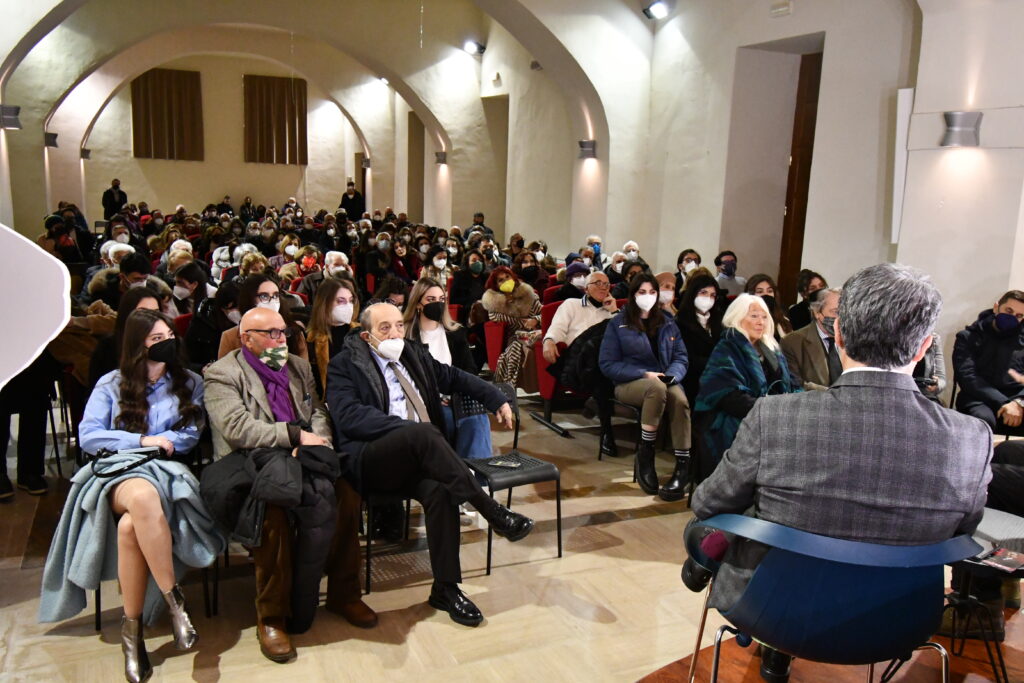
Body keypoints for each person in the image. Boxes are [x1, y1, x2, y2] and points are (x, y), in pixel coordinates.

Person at [684, 263, 993, 681]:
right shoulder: (972, 438)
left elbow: (708, 502)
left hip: (772, 611)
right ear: (923, 347)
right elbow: (963, 530)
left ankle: (774, 650)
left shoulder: (774, 416)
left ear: (840, 336)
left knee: (718, 523)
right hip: (899, 622)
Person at [42, 309, 222, 683]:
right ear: (139, 345)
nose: (168, 342)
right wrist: (143, 441)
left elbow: (188, 436)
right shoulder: (112, 383)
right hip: (119, 473)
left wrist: (160, 443)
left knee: (129, 530)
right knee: (140, 497)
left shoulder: (189, 381)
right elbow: (90, 436)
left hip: (167, 473)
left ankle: (132, 635)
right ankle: (175, 603)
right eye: (157, 339)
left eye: (169, 335)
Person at [326, 302, 533, 626]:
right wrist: (407, 432)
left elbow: (455, 377)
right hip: (372, 459)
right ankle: (491, 510)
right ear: (366, 336)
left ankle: (445, 589)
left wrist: (497, 399)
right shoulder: (345, 364)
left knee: (442, 489)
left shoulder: (412, 354)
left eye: (398, 325)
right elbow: (349, 416)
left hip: (420, 458)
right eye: (384, 328)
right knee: (423, 433)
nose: (395, 333)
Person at [204, 307, 375, 663]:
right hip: (250, 462)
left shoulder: (297, 366)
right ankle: (272, 617)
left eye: (283, 332)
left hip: (303, 454)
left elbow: (318, 412)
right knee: (273, 511)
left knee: (347, 494)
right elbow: (237, 429)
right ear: (246, 338)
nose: (280, 339)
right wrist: (293, 437)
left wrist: (318, 441)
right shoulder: (222, 374)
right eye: (271, 333)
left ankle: (344, 594)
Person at [599, 273, 692, 501]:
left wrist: (672, 375)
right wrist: (644, 374)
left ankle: (683, 464)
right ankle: (645, 453)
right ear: (633, 294)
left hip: (663, 379)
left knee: (680, 400)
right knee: (655, 389)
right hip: (629, 382)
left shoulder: (667, 322)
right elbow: (608, 364)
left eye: (652, 292)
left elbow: (681, 357)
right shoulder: (618, 323)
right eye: (642, 292)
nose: (648, 296)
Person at [694, 294, 800, 480]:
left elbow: (792, 384)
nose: (761, 322)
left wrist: (795, 405)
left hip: (769, 414)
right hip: (733, 417)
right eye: (754, 316)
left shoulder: (771, 348)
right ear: (738, 317)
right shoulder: (727, 348)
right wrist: (770, 410)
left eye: (764, 317)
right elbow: (730, 398)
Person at [405, 278, 493, 464]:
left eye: (441, 299)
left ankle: (474, 472)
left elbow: (469, 371)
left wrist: (454, 395)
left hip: (455, 397)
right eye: (430, 299)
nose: (437, 304)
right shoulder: (405, 336)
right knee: (449, 418)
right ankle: (462, 471)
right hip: (422, 400)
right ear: (418, 303)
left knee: (476, 416)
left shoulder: (455, 333)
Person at [542, 271, 619, 454]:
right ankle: (606, 429)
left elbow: (625, 337)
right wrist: (549, 341)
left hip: (600, 365)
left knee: (611, 339)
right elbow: (557, 328)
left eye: (606, 284)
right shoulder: (572, 304)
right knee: (606, 332)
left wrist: (615, 311)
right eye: (597, 283)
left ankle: (606, 427)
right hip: (575, 363)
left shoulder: (611, 311)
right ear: (586, 288)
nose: (603, 287)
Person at [952, 290, 1024, 432]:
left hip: (1016, 401)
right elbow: (967, 377)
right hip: (978, 399)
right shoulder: (968, 337)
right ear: (996, 307)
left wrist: (1019, 403)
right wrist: (1003, 402)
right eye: (1009, 311)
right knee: (983, 421)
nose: (1012, 317)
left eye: (1019, 316)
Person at [218, 274, 309, 361]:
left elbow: (302, 369)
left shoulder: (294, 332)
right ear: (249, 299)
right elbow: (223, 370)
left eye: (276, 295)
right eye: (264, 296)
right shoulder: (230, 337)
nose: (272, 301)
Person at [88, 286, 162, 391]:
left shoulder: (168, 344)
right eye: (143, 313)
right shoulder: (108, 348)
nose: (151, 318)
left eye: (156, 312)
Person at [481, 266, 542, 389]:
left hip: (535, 333)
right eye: (501, 280)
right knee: (515, 348)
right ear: (496, 285)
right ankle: (509, 387)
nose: (506, 281)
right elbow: (494, 317)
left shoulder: (528, 295)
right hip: (514, 336)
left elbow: (543, 313)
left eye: (507, 277)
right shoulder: (494, 302)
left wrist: (535, 319)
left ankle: (507, 386)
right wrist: (522, 321)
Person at [306, 277, 361, 400]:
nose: (348, 306)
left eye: (351, 301)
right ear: (325, 303)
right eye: (341, 301)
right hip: (330, 400)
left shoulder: (361, 332)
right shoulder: (311, 338)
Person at [675, 272, 724, 407]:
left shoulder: (719, 320)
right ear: (693, 294)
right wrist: (717, 363)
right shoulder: (680, 322)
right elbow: (688, 359)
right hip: (694, 378)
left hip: (720, 374)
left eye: (712, 295)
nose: (708, 298)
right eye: (703, 293)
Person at [780, 287, 842, 391]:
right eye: (835, 312)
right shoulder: (792, 343)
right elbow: (795, 384)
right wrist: (836, 395)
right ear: (817, 312)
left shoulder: (854, 340)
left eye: (844, 312)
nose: (840, 317)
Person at [185, 281, 241, 373]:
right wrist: (202, 368)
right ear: (224, 307)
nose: (240, 312)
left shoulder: (248, 322)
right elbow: (185, 360)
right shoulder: (201, 325)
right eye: (236, 308)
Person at [745, 274, 792, 338]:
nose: (766, 294)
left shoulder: (784, 320)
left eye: (770, 291)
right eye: (760, 291)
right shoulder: (744, 321)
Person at [912, 333, 946, 403]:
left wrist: (937, 385)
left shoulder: (933, 339)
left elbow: (941, 379)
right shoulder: (893, 335)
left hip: (923, 394)